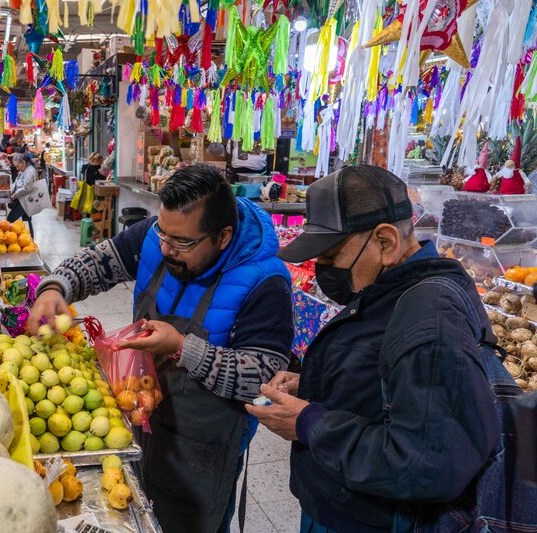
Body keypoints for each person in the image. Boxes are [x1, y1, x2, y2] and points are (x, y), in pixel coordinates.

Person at [29, 164, 294, 533]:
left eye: (182, 242)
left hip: (202, 450)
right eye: (162, 234)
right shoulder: (160, 235)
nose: (166, 248)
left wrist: (182, 346)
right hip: (140, 416)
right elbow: (97, 262)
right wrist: (56, 287)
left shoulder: (266, 282)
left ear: (223, 236)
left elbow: (263, 383)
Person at [246, 165, 499, 532]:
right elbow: (388, 384)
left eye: (331, 255)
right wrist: (314, 384)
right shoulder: (387, 290)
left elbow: (425, 464)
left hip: (372, 520)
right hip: (343, 504)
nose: (322, 268)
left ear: (385, 242)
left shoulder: (430, 323)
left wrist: (308, 423)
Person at [7, 153, 38, 223]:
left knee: (9, 220)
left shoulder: (29, 172)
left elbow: (26, 188)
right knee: (27, 221)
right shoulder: (23, 170)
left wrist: (14, 196)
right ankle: (29, 234)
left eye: (18, 166)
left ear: (24, 162)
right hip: (22, 199)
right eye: (16, 167)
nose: (17, 169)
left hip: (25, 201)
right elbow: (17, 182)